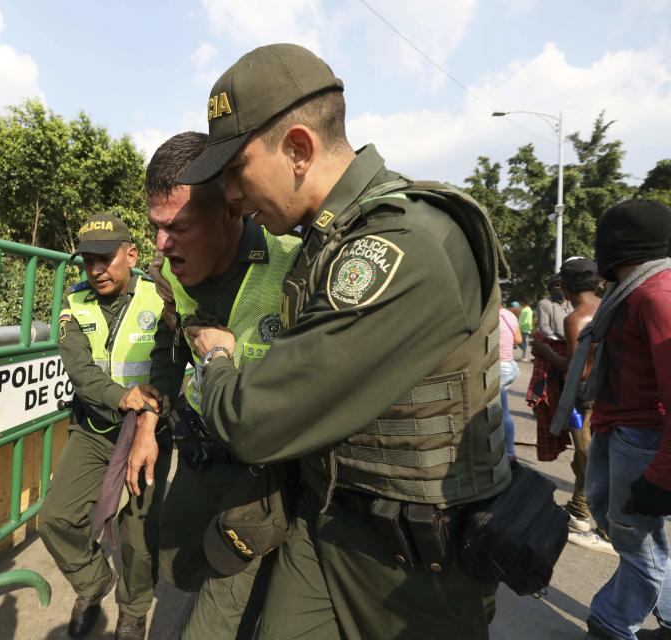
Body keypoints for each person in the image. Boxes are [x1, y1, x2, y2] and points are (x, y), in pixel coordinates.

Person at [178, 43, 510, 639]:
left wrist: (219, 356)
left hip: (414, 568)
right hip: (328, 524)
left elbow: (254, 421)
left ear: (298, 150)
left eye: (235, 171)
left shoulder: (399, 247)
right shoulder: (329, 239)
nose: (230, 196)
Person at [125, 131, 300, 639]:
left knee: (217, 621)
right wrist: (147, 423)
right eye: (156, 227)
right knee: (177, 568)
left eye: (177, 227)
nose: (161, 245)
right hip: (198, 459)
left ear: (231, 209)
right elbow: (167, 349)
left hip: (263, 480)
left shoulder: (295, 264)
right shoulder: (170, 275)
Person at [37, 213, 170, 640]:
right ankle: (94, 582)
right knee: (55, 518)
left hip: (146, 433)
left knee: (136, 533)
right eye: (87, 261)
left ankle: (133, 611)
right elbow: (77, 367)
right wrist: (119, 396)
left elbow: (174, 361)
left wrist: (150, 410)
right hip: (94, 427)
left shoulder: (160, 296)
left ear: (130, 254)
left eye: (105, 258)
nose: (96, 270)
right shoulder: (74, 303)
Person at [547, 201, 671, 640]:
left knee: (636, 540)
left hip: (642, 437)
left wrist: (661, 475)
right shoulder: (631, 292)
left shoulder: (657, 296)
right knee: (620, 525)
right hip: (616, 428)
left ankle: (611, 625)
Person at [531, 257, 614, 555]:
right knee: (588, 458)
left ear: (564, 287)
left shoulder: (575, 318)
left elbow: (578, 368)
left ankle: (602, 525)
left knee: (586, 458)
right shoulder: (611, 305)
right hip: (610, 395)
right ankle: (578, 510)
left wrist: (544, 352)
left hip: (584, 399)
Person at [528, 275, 575, 463]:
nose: (558, 288)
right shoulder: (545, 304)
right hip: (554, 345)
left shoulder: (573, 303)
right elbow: (545, 328)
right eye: (555, 286)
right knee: (546, 393)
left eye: (561, 285)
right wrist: (564, 336)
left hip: (571, 347)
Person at [498, 302, 522, 463]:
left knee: (501, 412)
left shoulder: (487, 317)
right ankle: (508, 451)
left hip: (498, 367)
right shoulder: (510, 315)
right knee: (502, 410)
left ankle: (508, 452)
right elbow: (518, 339)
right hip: (510, 366)